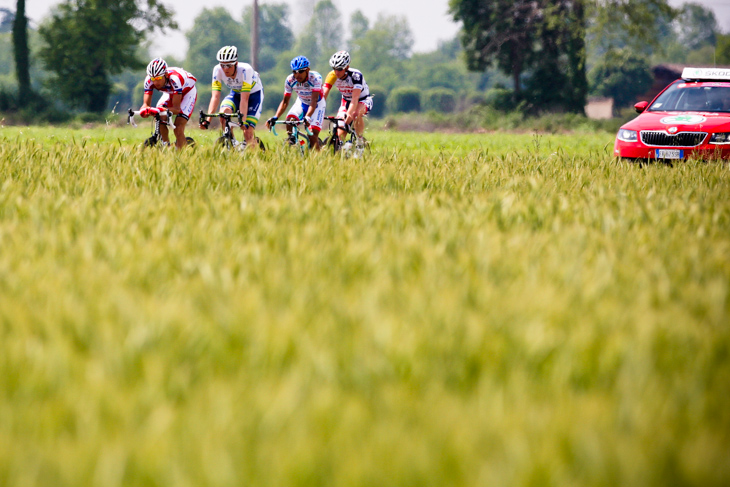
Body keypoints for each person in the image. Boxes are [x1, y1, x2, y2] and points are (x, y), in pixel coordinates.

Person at [199, 45, 264, 150]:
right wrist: (207, 120)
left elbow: (244, 99)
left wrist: (243, 121)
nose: (225, 69)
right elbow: (215, 97)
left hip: (253, 96)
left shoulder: (245, 70)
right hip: (235, 93)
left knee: (247, 132)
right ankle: (232, 144)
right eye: (222, 65)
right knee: (224, 113)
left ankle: (254, 156)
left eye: (229, 65)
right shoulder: (217, 70)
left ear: (236, 63)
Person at [265, 56, 325, 151]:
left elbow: (313, 101)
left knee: (312, 134)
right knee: (289, 120)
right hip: (301, 102)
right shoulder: (290, 80)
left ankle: (317, 160)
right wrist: (275, 117)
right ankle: (292, 143)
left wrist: (308, 116)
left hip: (317, 105)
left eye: (301, 71)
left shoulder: (315, 78)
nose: (297, 75)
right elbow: (285, 102)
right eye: (294, 72)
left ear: (308, 70)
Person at [139, 58, 197, 149]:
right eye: (153, 78)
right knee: (159, 117)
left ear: (165, 74)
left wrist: (157, 110)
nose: (155, 82)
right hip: (169, 92)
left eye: (158, 78)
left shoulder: (175, 79)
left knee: (178, 127)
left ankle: (181, 154)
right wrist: (144, 111)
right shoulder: (148, 80)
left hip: (187, 93)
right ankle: (166, 146)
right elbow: (145, 105)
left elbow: (176, 109)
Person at [322, 50, 373, 149]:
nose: (337, 72)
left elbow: (355, 99)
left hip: (362, 100)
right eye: (334, 69)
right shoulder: (332, 75)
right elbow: (323, 95)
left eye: (340, 69)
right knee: (340, 132)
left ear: (347, 67)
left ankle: (359, 141)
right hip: (346, 101)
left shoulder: (356, 76)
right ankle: (339, 151)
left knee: (355, 114)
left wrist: (349, 115)